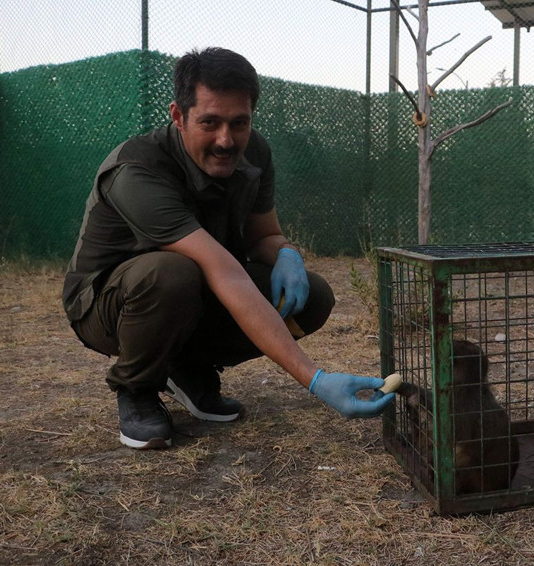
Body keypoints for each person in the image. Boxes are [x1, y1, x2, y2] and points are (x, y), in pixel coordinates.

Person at [62, 47, 394, 450]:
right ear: (178, 116)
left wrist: (287, 253)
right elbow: (224, 271)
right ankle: (137, 388)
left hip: (195, 289)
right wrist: (314, 378)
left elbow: (264, 236)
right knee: (172, 273)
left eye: (240, 123)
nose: (226, 140)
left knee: (313, 296)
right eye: (210, 122)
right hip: (107, 305)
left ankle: (187, 368)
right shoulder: (137, 170)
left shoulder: (255, 152)